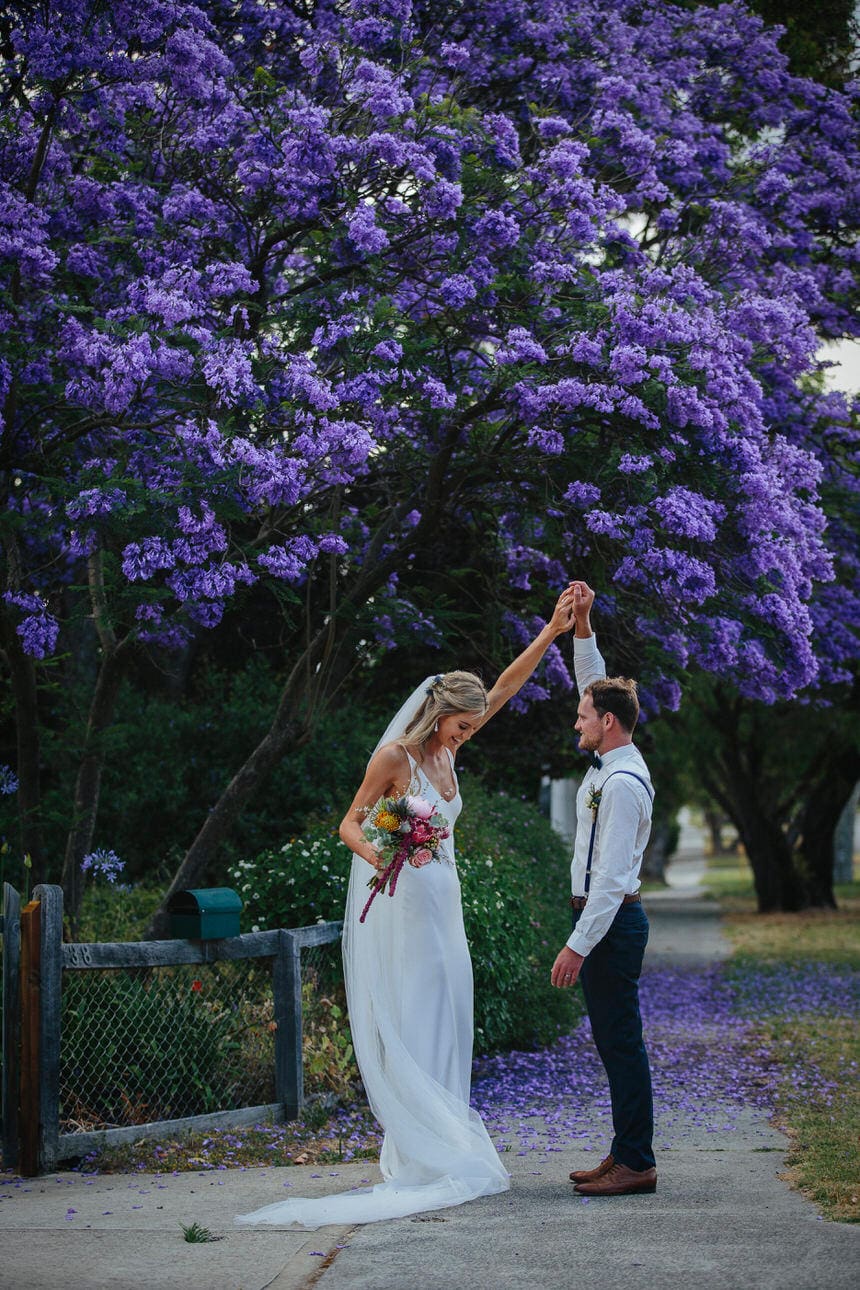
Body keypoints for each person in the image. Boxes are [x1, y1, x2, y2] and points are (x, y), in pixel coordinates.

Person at [236, 586, 577, 1229]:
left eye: (471, 727)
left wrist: (552, 633)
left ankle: (445, 1132)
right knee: (420, 1008)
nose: (468, 734)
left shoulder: (448, 753)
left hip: (445, 901)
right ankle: (420, 1149)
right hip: (403, 901)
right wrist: (383, 858)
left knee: (453, 1005)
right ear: (439, 712)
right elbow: (350, 824)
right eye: (462, 725)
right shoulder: (395, 757)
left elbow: (502, 688)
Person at [550, 581, 657, 1196]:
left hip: (611, 925)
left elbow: (612, 882)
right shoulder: (612, 761)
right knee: (616, 1043)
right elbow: (593, 685)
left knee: (621, 1044)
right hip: (609, 924)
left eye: (585, 717)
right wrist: (583, 623)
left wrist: (577, 944)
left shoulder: (620, 783)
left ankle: (635, 1163)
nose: (577, 720)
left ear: (607, 724)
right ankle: (624, 1154)